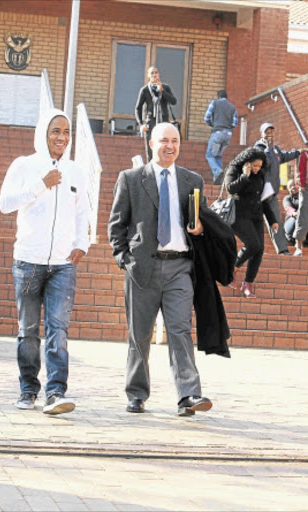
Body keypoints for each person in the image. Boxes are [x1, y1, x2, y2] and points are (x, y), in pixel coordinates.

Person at [108, 122, 214, 417]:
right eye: (164, 141)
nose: (170, 146)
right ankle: (137, 393)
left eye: (175, 141)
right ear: (151, 144)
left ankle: (188, 395)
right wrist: (124, 259)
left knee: (180, 330)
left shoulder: (192, 180)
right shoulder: (131, 179)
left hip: (180, 267)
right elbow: (116, 225)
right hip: (143, 268)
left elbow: (201, 222)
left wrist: (202, 228)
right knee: (139, 334)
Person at [0, 108, 90, 415]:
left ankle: (55, 392)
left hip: (63, 264)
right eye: (56, 131)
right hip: (28, 261)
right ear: (43, 133)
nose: (62, 137)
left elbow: (82, 212)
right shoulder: (24, 165)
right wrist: (40, 184)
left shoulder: (76, 171)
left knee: (58, 329)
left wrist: (82, 245)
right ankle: (28, 389)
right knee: (28, 329)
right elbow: (4, 204)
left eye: (66, 132)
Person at [225, 147, 278, 298]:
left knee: (259, 250)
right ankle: (232, 269)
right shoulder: (234, 169)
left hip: (256, 216)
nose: (257, 169)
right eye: (255, 166)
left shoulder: (260, 175)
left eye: (260, 166)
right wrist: (244, 176)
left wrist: (272, 220)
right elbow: (231, 189)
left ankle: (247, 284)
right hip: (239, 215)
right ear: (247, 162)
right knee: (253, 244)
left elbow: (264, 200)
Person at [254, 122, 300, 255]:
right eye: (266, 132)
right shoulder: (258, 148)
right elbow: (265, 163)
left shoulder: (275, 149)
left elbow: (283, 157)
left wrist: (296, 153)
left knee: (276, 222)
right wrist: (268, 149)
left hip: (271, 194)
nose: (269, 134)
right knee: (253, 222)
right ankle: (254, 249)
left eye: (271, 131)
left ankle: (283, 250)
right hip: (258, 193)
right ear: (261, 134)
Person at [135, 66, 177, 163]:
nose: (154, 75)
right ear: (148, 76)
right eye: (152, 73)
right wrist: (141, 124)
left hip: (164, 123)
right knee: (151, 151)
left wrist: (162, 91)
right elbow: (138, 108)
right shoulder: (145, 90)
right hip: (151, 123)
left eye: (156, 73)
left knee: (164, 149)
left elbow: (174, 101)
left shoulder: (165, 87)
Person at [204, 89, 238, 185]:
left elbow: (206, 117)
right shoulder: (232, 107)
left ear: (218, 96)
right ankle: (218, 180)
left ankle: (218, 172)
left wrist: (212, 124)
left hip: (217, 133)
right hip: (228, 134)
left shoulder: (215, 103)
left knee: (210, 154)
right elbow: (235, 123)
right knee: (218, 156)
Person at [283, 179, 308, 246]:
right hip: (292, 224)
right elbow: (288, 208)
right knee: (298, 218)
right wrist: (295, 214)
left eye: (294, 185)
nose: (293, 187)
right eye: (290, 186)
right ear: (288, 189)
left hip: (305, 223)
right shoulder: (287, 198)